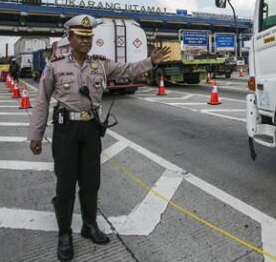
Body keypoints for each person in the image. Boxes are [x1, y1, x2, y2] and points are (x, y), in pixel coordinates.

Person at [27, 14, 170, 261]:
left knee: (91, 181)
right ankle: (64, 234)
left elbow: (128, 69)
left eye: (89, 37)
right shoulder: (55, 66)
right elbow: (41, 101)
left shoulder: (100, 65)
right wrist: (35, 134)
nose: (86, 41)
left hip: (91, 129)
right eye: (81, 37)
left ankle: (89, 225)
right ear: (70, 38)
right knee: (65, 184)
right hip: (66, 131)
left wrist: (150, 61)